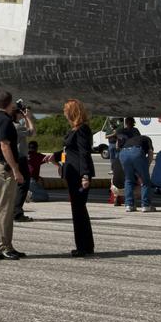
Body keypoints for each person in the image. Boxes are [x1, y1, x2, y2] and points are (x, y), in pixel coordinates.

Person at [0, 92, 26, 260]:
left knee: (3, 209)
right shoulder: (5, 122)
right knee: (4, 210)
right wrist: (15, 169)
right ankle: (3, 246)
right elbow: (4, 145)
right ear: (10, 104)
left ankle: (5, 244)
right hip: (5, 169)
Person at [62, 99, 96, 257]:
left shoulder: (82, 129)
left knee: (79, 210)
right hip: (72, 174)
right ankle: (83, 245)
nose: (64, 113)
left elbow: (84, 153)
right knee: (77, 210)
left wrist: (85, 175)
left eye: (65, 110)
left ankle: (85, 246)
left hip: (78, 175)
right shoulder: (74, 129)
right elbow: (70, 151)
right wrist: (55, 156)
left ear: (72, 112)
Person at [13, 101, 37, 221]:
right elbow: (32, 132)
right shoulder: (16, 126)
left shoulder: (12, 125)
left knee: (16, 186)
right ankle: (17, 212)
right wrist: (29, 117)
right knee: (23, 185)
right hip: (20, 158)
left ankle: (14, 210)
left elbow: (27, 130)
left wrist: (25, 119)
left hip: (14, 157)